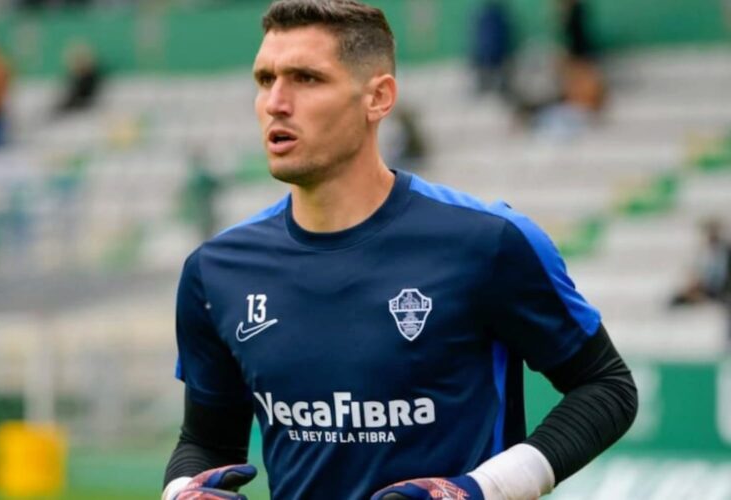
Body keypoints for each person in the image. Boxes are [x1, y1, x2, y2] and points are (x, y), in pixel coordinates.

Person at [163, 1, 638, 499]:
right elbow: (206, 441)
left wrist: (483, 488)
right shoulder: (216, 272)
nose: (276, 102)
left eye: (306, 79)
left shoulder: (487, 241)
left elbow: (606, 387)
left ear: (378, 98)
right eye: (265, 79)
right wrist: (181, 492)